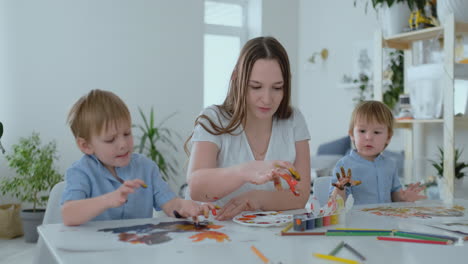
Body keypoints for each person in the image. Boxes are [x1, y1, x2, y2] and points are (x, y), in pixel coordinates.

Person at [184, 36, 311, 220]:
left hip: (270, 236)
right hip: (216, 233)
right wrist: (244, 171)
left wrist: (255, 199)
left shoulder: (294, 120)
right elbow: (196, 188)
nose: (267, 99)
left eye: (277, 87)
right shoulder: (213, 118)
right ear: (238, 79)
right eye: (256, 86)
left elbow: (301, 195)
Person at [62, 89, 214, 226]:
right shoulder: (80, 172)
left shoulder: (146, 168)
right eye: (110, 139)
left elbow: (172, 205)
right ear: (86, 146)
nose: (123, 144)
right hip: (93, 253)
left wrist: (190, 207)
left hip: (137, 251)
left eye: (127, 133)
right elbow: (68, 215)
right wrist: (108, 200)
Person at [330, 100, 426, 205]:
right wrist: (340, 187)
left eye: (376, 132)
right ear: (352, 134)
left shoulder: (390, 165)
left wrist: (404, 198)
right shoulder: (344, 165)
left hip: (387, 220)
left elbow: (395, 196)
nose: (369, 137)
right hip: (358, 221)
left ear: (388, 138)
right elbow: (335, 204)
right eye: (362, 131)